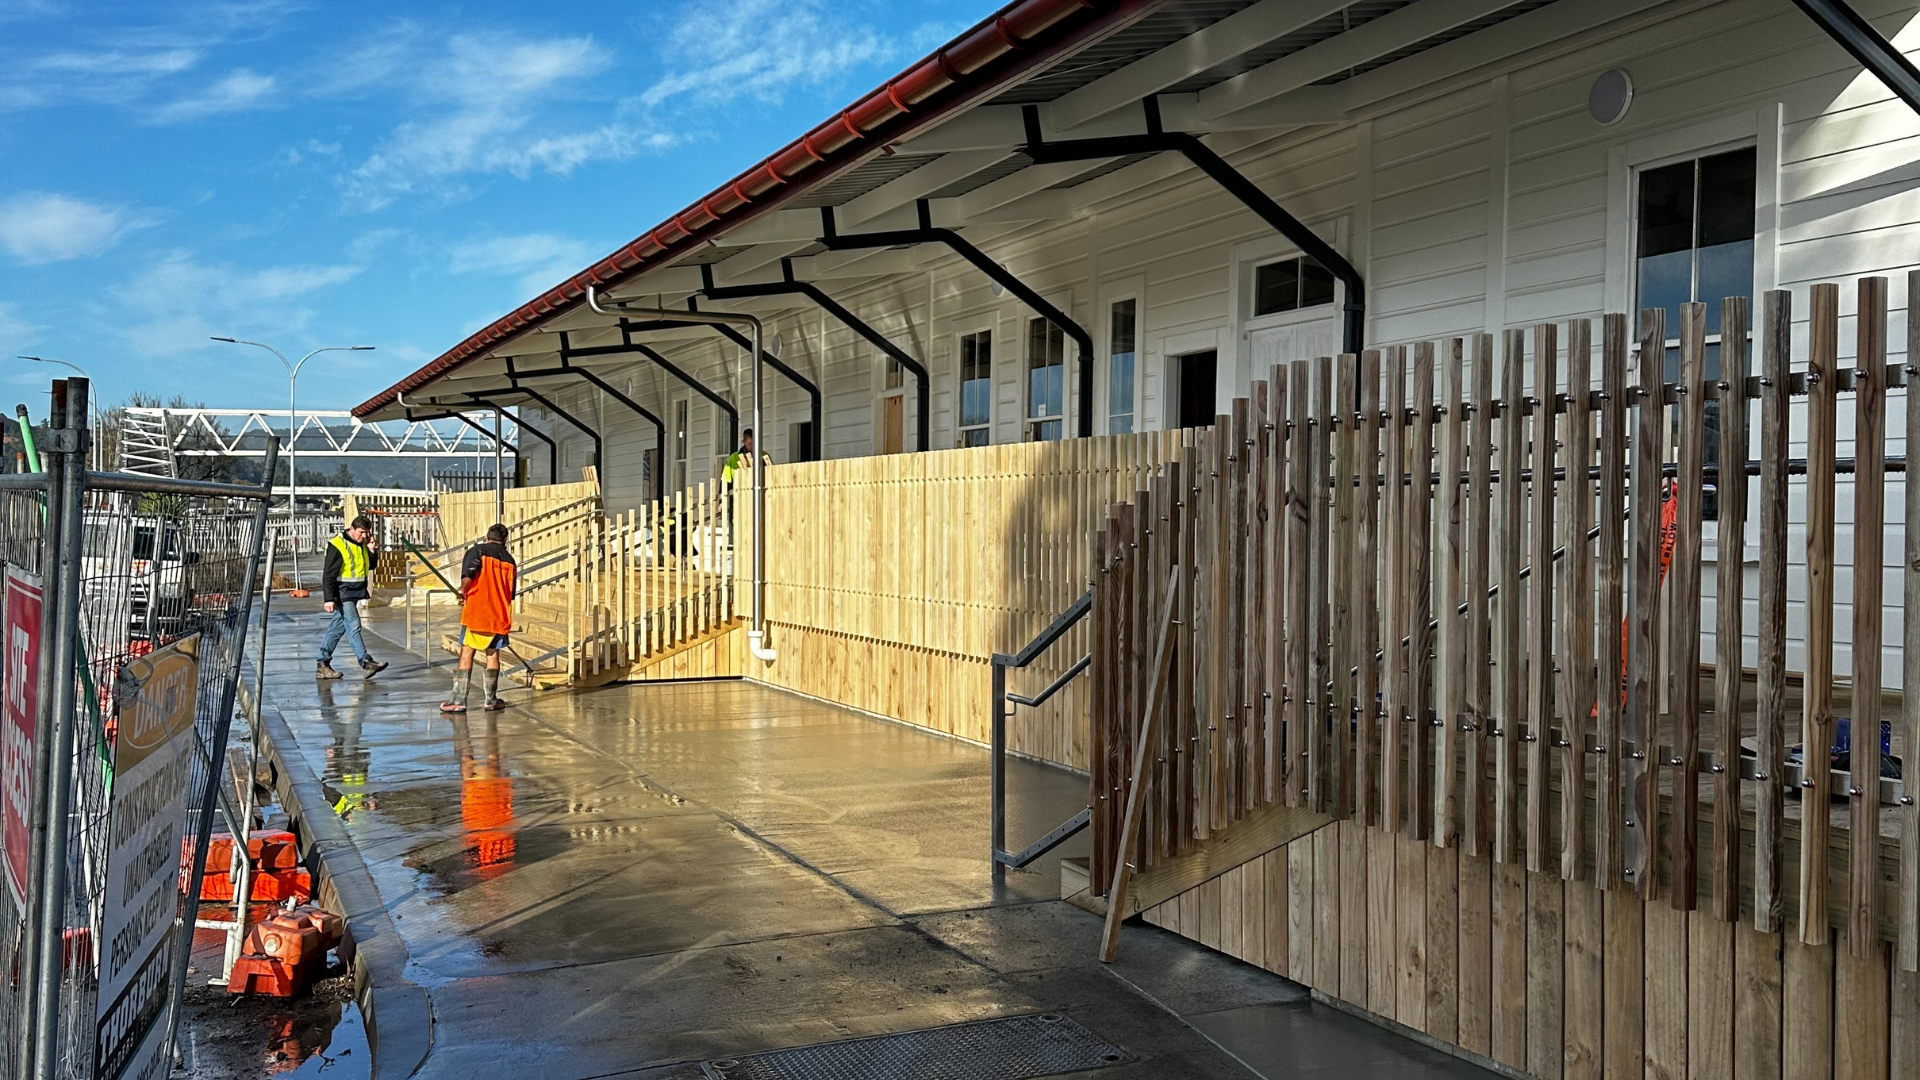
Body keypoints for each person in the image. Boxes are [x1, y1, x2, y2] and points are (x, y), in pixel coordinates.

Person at [442, 523, 517, 713]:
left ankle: (459, 700)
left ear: (487, 536)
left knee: (467, 652)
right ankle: (491, 700)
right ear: (505, 540)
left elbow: (468, 576)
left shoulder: (477, 551)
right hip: (499, 614)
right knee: (493, 653)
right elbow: (510, 593)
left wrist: (462, 591)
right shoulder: (510, 561)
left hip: (477, 613)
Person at [316, 515, 388, 679]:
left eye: (366, 532)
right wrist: (328, 599)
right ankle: (365, 661)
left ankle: (322, 664)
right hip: (342, 591)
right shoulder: (338, 544)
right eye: (361, 532)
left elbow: (371, 565)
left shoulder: (362, 543)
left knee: (337, 628)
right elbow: (328, 574)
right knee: (353, 624)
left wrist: (372, 549)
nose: (364, 535)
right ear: (352, 528)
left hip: (355, 591)